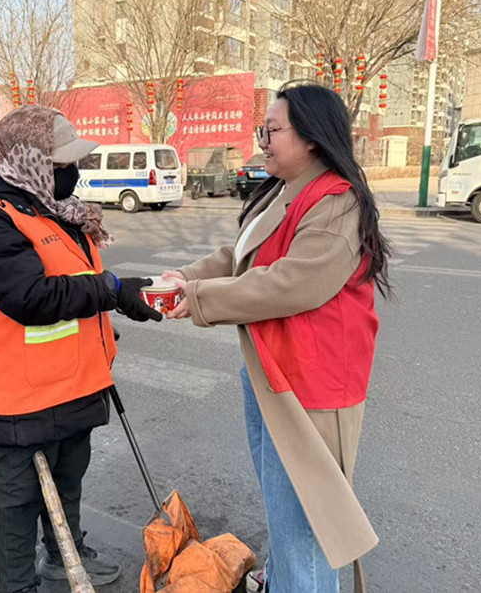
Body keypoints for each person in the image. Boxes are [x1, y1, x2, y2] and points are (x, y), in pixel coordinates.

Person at [164, 84, 392, 593]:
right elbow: (241, 257)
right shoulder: (285, 191)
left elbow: (292, 283)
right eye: (261, 130)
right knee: (284, 509)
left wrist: (200, 298)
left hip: (312, 385)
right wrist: (182, 278)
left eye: (272, 130)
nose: (262, 140)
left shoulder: (336, 201)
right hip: (272, 371)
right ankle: (284, 579)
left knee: (307, 524)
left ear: (310, 136)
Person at [0, 105, 162, 593]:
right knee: (18, 494)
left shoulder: (52, 208)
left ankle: (63, 553)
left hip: (76, 378)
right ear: (27, 161)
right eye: (61, 162)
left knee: (68, 478)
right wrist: (111, 289)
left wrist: (108, 319)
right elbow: (33, 298)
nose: (73, 171)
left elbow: (75, 284)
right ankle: (19, 584)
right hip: (22, 391)